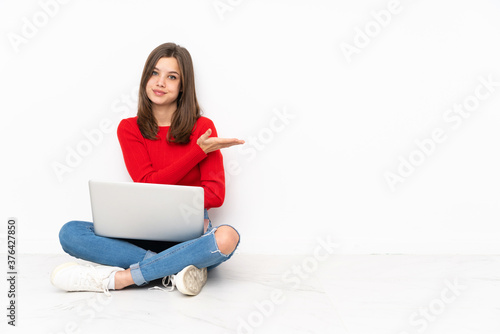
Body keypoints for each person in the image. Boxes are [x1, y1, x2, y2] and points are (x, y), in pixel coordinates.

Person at [50, 42, 245, 296]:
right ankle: (178, 266)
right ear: (145, 78)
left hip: (189, 235)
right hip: (142, 231)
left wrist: (199, 151)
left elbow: (216, 195)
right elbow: (147, 182)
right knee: (70, 232)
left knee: (227, 237)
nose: (160, 82)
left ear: (183, 86)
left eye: (171, 77)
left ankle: (122, 279)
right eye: (155, 73)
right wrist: (197, 153)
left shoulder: (202, 127)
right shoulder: (130, 128)